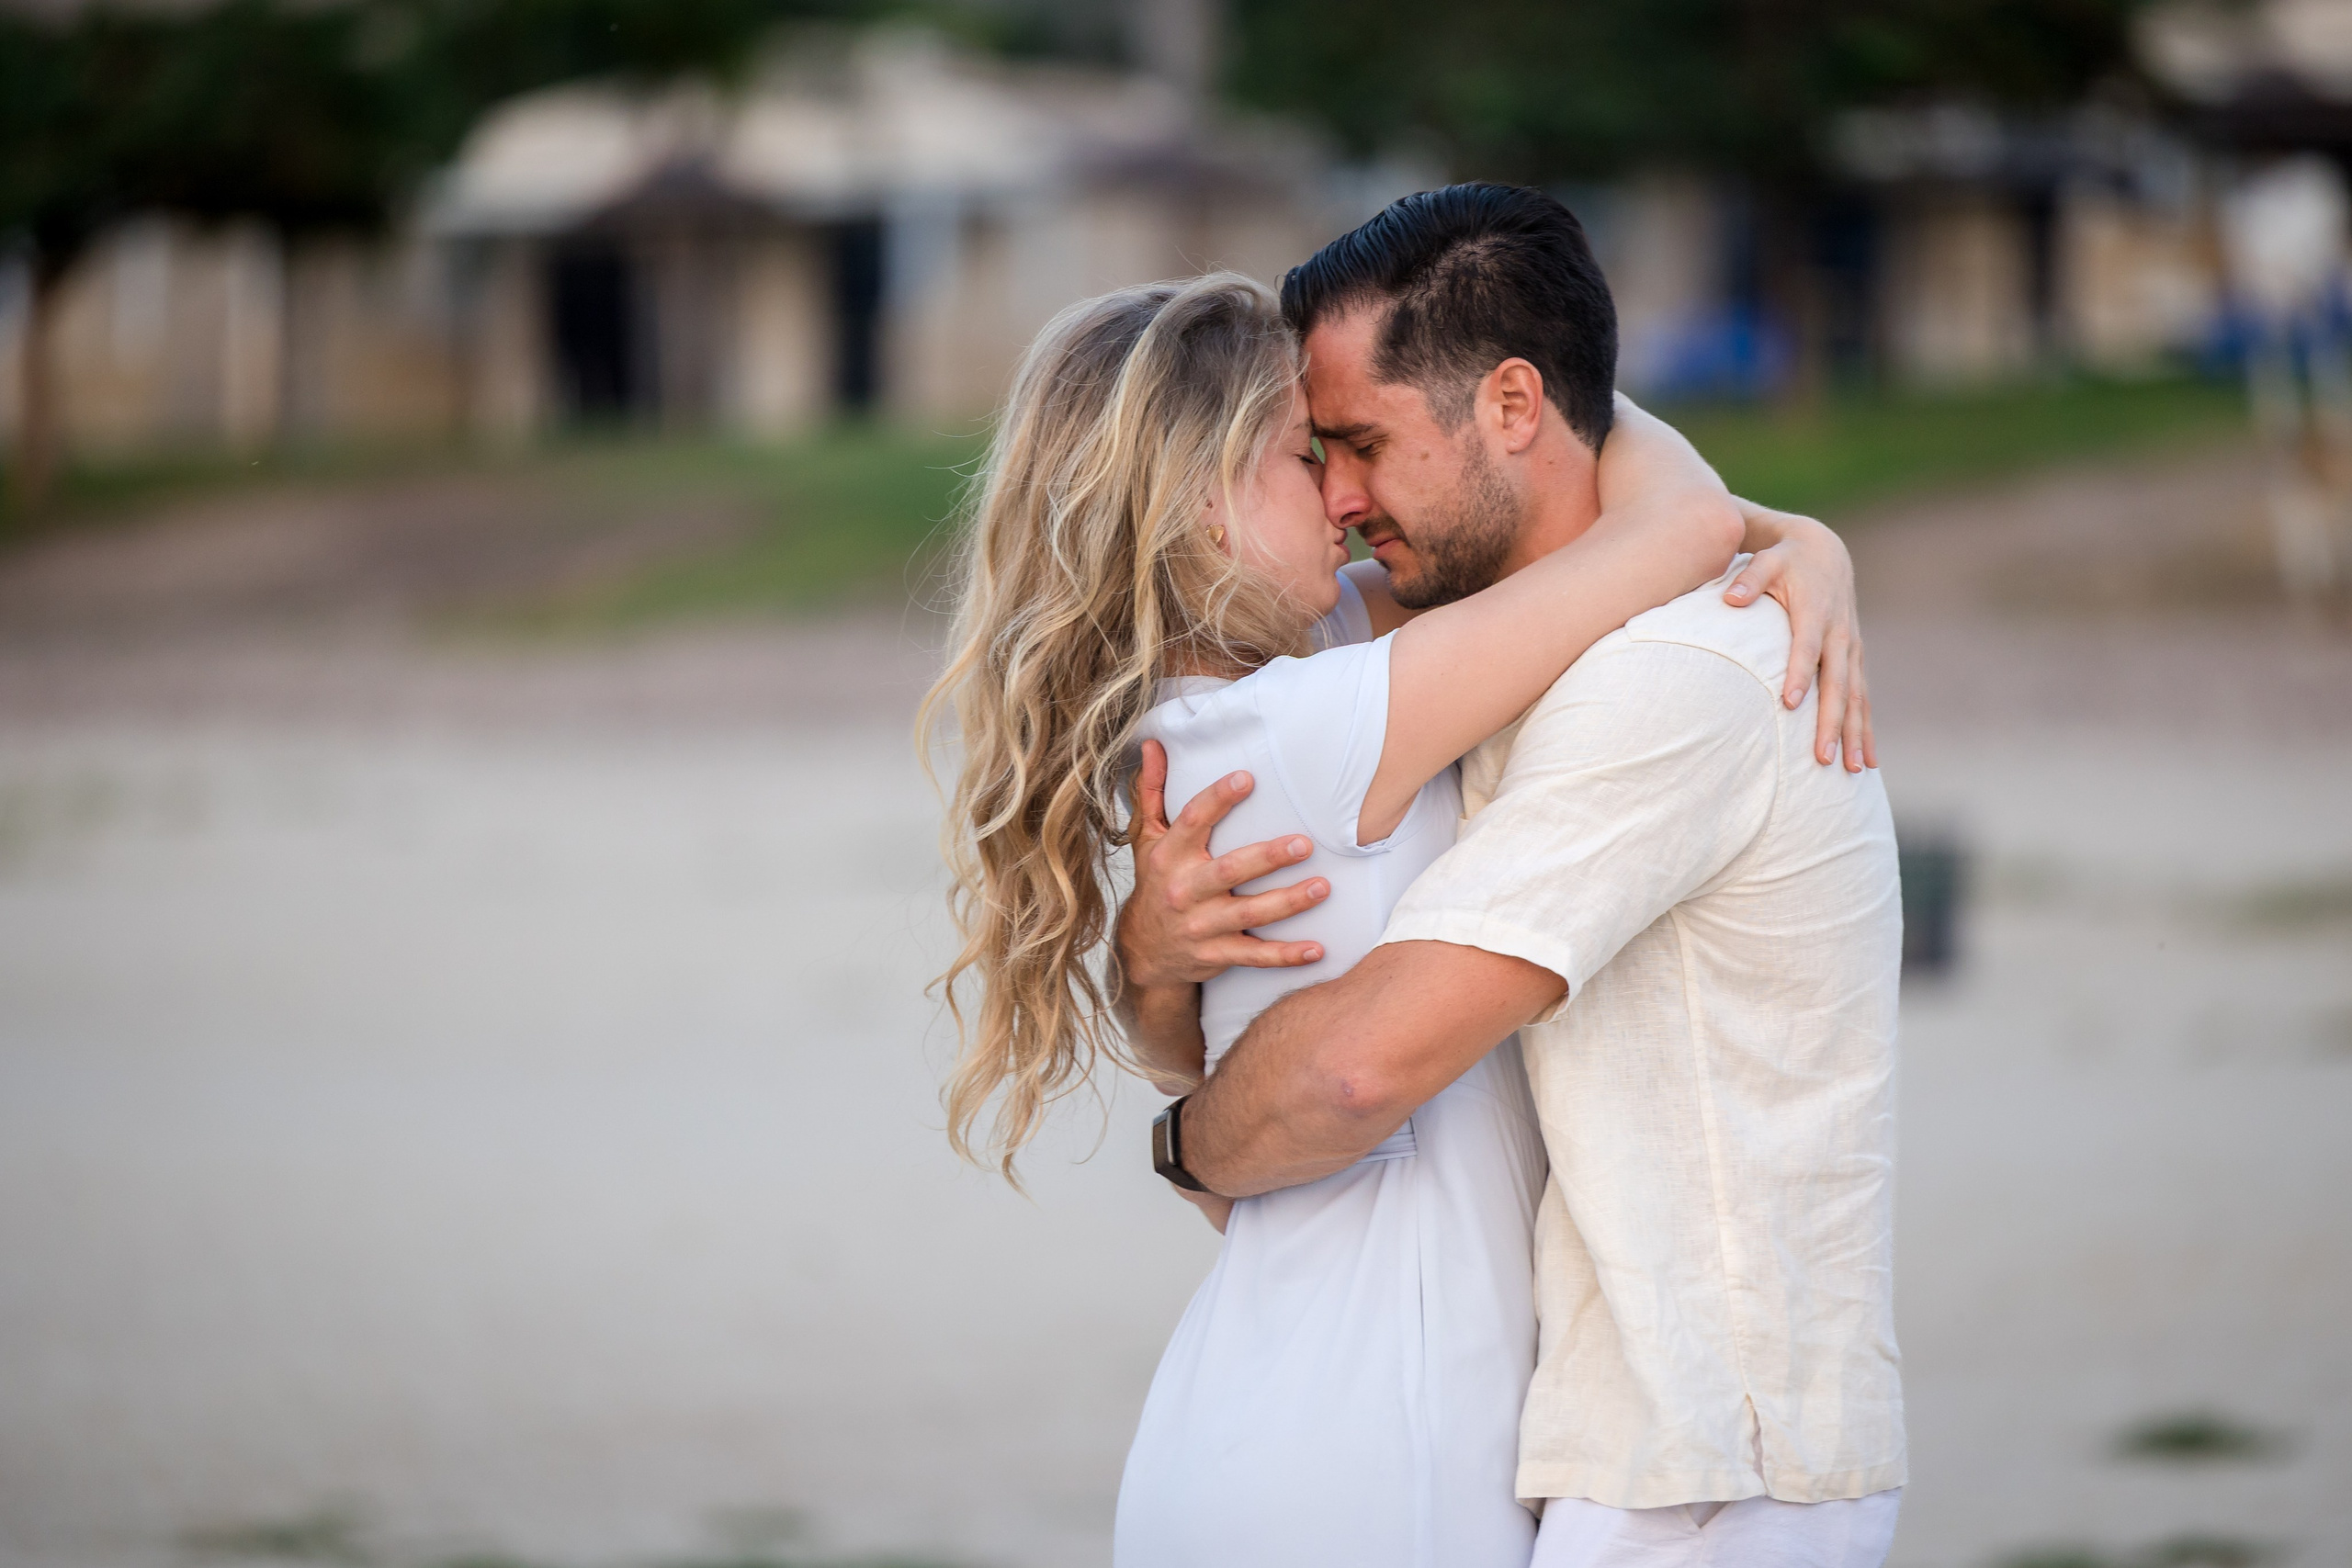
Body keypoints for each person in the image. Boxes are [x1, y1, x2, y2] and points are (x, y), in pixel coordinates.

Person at [925, 248, 1871, 1562]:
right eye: (1308, 456)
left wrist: (1788, 532)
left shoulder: (1265, 696)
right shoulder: (1320, 721)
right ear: (1209, 508)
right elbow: (1671, 531)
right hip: (1375, 1439)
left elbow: (1561, 529)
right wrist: (1787, 535)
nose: (1346, 496)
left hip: (1275, 1412)